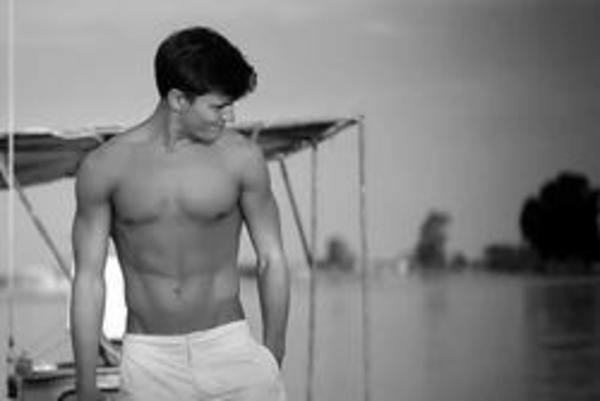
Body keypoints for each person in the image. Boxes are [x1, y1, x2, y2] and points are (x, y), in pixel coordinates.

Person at [70, 26, 290, 401]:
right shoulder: (105, 167)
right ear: (178, 99)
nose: (229, 116)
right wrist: (86, 382)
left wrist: (274, 355)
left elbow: (272, 259)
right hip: (150, 361)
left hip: (231, 349)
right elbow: (89, 281)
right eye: (218, 106)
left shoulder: (241, 158)